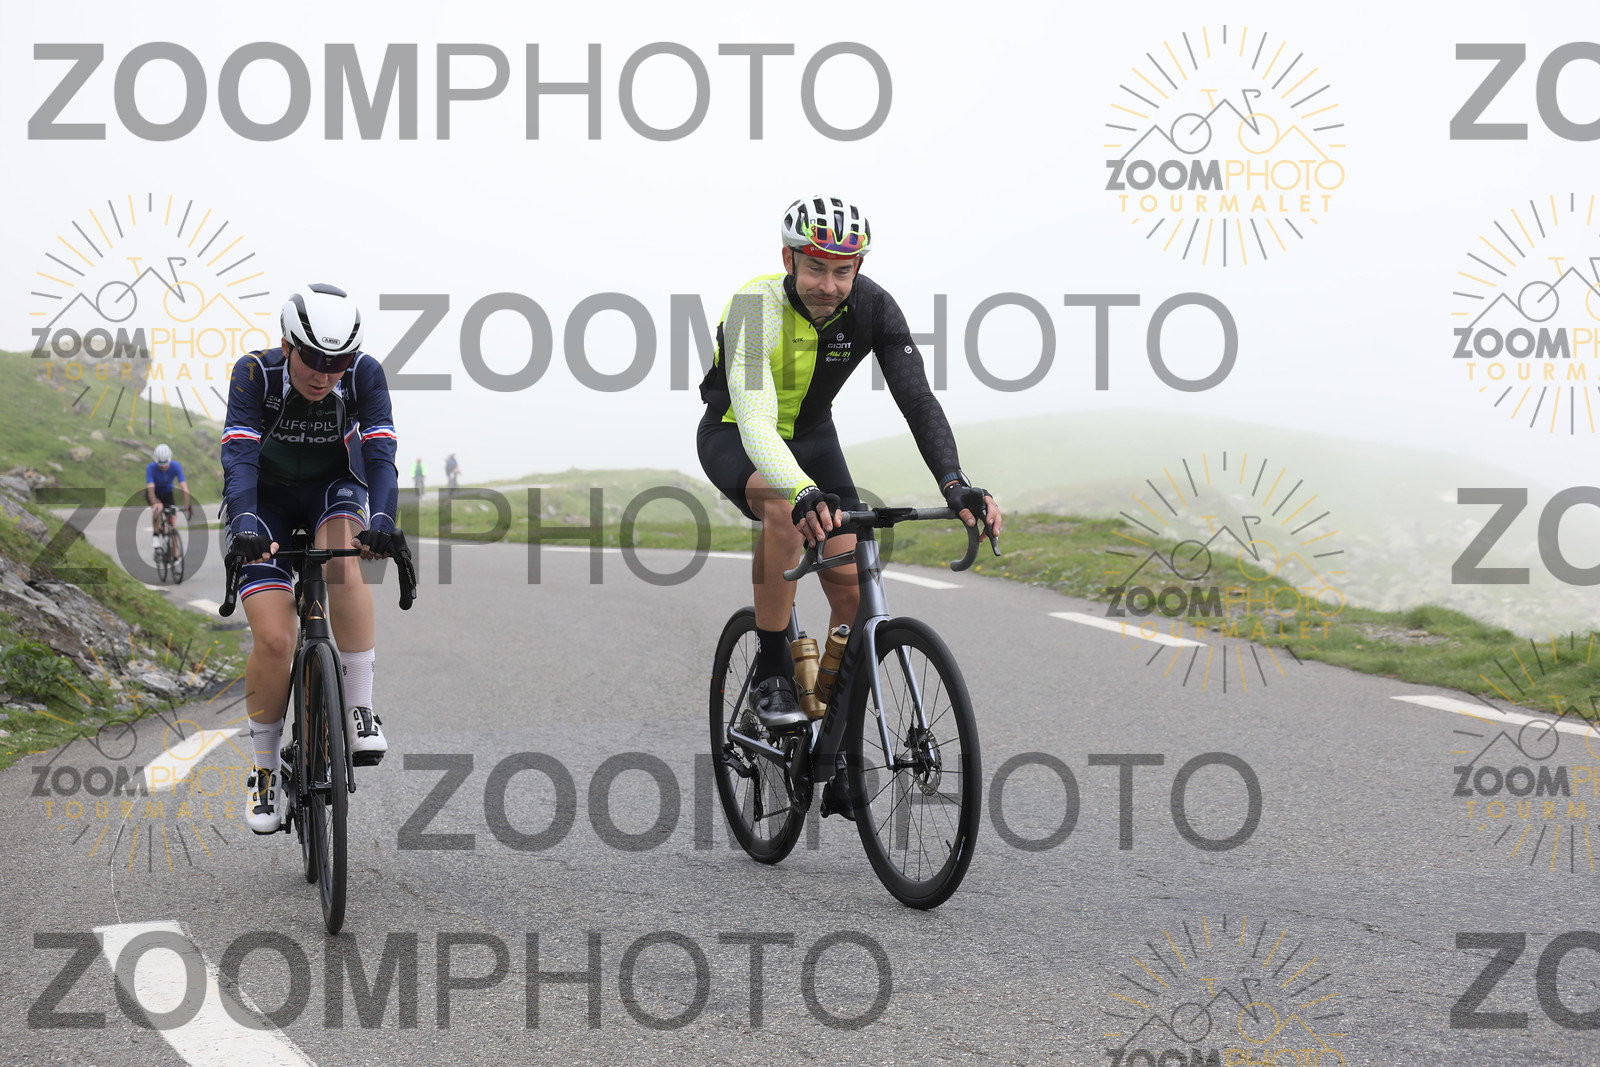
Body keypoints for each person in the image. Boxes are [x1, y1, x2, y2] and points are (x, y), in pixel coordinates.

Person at [697, 196, 1001, 811]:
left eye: (843, 270)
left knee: (854, 593)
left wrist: (955, 484)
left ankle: (831, 742)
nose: (829, 285)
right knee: (785, 513)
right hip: (736, 436)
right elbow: (757, 423)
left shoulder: (873, 307)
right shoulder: (755, 307)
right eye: (815, 267)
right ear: (788, 259)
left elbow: (917, 400)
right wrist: (801, 490)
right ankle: (775, 671)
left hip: (814, 439)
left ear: (858, 267)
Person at [221, 283, 407, 835]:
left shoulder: (364, 374)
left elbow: (380, 450)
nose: (325, 374)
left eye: (338, 361)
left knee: (344, 563)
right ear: (287, 345)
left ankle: (358, 708)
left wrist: (383, 522)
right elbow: (239, 454)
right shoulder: (255, 374)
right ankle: (263, 770)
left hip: (333, 488)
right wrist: (245, 523)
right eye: (314, 359)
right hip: (266, 501)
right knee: (276, 640)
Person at [145, 444, 192, 553]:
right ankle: (156, 536)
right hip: (154, 493)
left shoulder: (176, 466)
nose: (163, 467)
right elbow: (150, 489)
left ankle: (175, 554)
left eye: (165, 464)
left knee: (172, 522)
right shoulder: (150, 468)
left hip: (167, 493)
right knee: (158, 508)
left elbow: (183, 487)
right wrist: (154, 503)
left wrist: (187, 504)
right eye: (160, 464)